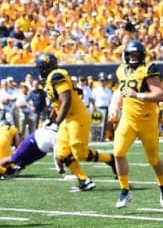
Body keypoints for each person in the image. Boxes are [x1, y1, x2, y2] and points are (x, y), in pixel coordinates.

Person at [35, 53, 116, 192]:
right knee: (61, 153)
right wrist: (50, 119)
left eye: (42, 68)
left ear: (48, 67)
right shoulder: (52, 78)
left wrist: (56, 122)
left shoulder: (56, 76)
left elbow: (66, 101)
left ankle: (110, 159)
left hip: (77, 117)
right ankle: (84, 180)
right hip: (68, 118)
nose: (40, 71)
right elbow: (58, 103)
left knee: (80, 154)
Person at [107, 39, 163, 209]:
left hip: (147, 121)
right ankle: (124, 189)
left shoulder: (148, 69)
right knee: (118, 152)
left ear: (142, 55)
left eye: (136, 54)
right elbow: (121, 91)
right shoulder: (121, 70)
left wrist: (137, 95)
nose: (133, 58)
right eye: (130, 54)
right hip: (128, 119)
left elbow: (159, 95)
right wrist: (114, 107)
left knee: (153, 159)